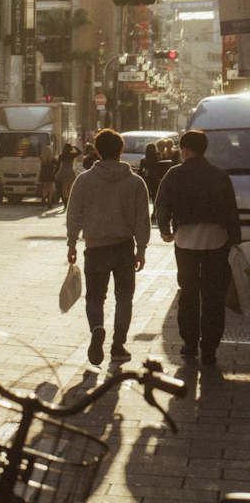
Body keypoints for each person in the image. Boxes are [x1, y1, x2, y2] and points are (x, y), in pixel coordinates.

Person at [155, 130, 241, 366]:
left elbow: (162, 204)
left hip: (185, 241)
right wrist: (235, 239)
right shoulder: (219, 175)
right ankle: (210, 348)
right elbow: (230, 211)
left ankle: (190, 344)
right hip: (216, 240)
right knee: (214, 296)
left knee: (189, 293)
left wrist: (165, 229)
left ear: (185, 149)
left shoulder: (175, 174)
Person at [67, 129, 151, 365]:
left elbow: (74, 214)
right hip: (124, 248)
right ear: (121, 151)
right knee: (124, 298)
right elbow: (142, 219)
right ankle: (118, 346)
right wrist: (141, 249)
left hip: (95, 248)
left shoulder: (84, 180)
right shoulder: (136, 182)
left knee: (95, 297)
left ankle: (96, 329)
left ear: (97, 152)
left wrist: (72, 242)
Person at [137, 143, 162, 225]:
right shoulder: (155, 158)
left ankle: (152, 213)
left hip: (151, 180)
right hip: (151, 179)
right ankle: (153, 213)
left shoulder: (146, 159)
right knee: (152, 198)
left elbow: (141, 171)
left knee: (151, 198)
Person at [38, 145, 58, 209]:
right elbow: (58, 165)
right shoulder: (52, 159)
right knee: (51, 188)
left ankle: (43, 198)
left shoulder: (42, 158)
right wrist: (55, 172)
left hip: (44, 174)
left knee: (45, 187)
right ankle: (49, 202)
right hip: (51, 174)